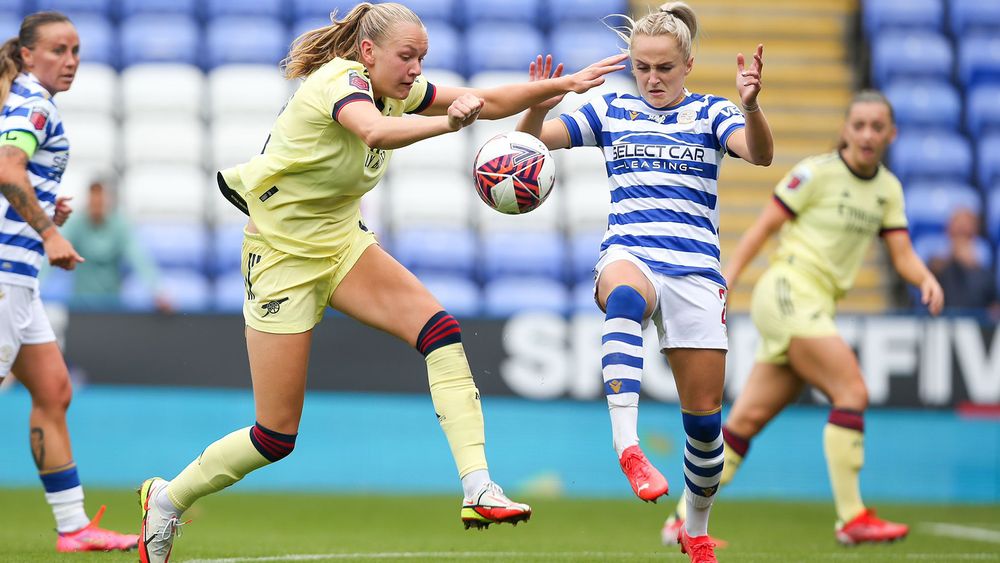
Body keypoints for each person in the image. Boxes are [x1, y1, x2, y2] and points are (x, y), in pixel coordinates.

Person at [136, 4, 627, 562]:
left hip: (342, 245)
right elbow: (375, 130)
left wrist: (557, 86)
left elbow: (485, 102)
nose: (417, 68)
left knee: (440, 330)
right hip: (280, 260)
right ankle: (167, 500)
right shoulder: (338, 82)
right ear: (368, 53)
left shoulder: (394, 89)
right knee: (275, 435)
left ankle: (478, 487)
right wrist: (450, 122)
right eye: (407, 56)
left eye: (423, 57)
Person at [516, 3, 772, 561]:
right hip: (631, 253)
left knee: (706, 430)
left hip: (697, 274)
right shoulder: (611, 109)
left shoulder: (713, 113)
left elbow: (760, 154)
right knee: (624, 298)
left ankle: (696, 528)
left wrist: (751, 108)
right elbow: (529, 149)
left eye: (664, 68)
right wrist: (536, 107)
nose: (652, 79)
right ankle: (628, 447)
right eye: (641, 67)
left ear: (688, 63)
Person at [660, 89, 945, 547]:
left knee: (746, 421)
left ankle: (679, 523)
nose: (868, 135)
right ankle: (851, 517)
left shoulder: (888, 189)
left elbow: (902, 253)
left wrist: (924, 277)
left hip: (814, 304)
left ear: (891, 134)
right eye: (860, 125)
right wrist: (726, 280)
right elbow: (763, 228)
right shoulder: (815, 173)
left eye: (877, 127)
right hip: (789, 291)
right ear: (845, 130)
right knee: (851, 390)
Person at [0, 11, 137, 553]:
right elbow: (8, 170)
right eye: (58, 49)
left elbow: (15, 176)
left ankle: (73, 527)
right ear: (29, 55)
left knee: (54, 391)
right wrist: (50, 233)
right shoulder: (32, 103)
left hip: (20, 279)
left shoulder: (27, 101)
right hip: (6, 274)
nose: (71, 60)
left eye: (76, 50)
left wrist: (41, 208)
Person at [61, 179, 173, 312]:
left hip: (113, 305)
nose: (97, 204)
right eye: (93, 199)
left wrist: (157, 291)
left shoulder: (120, 225)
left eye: (100, 199)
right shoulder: (75, 224)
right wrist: (36, 287)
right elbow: (54, 250)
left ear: (108, 200)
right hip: (80, 305)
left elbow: (138, 258)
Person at [928, 207, 998, 318]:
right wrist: (953, 256)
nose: (961, 229)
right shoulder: (937, 261)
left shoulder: (984, 270)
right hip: (942, 320)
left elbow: (993, 305)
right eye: (958, 226)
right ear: (948, 230)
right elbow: (930, 275)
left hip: (975, 326)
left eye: (965, 228)